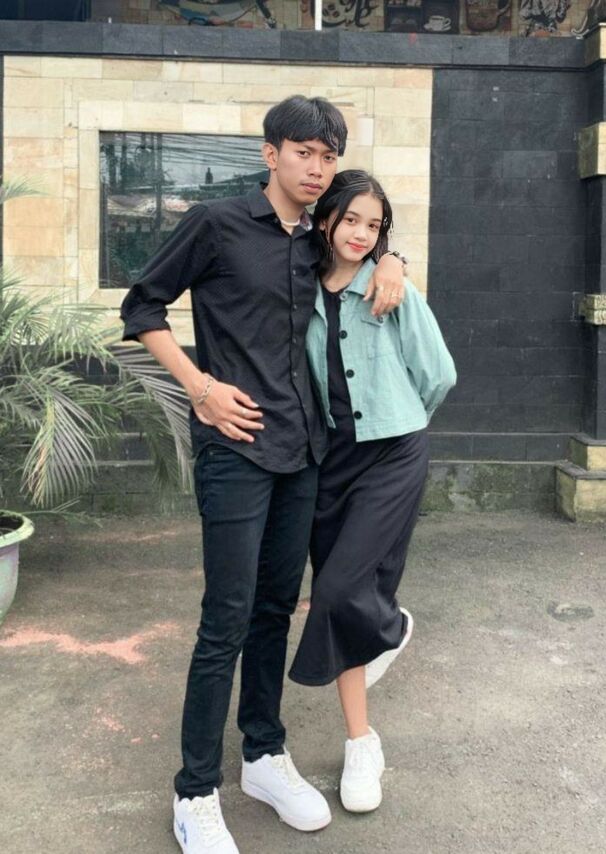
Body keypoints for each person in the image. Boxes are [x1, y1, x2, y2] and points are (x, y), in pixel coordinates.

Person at [119, 97, 406, 854]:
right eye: (304, 152)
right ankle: (194, 791)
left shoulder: (316, 237)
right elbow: (142, 306)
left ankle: (263, 755)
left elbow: (366, 239)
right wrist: (200, 388)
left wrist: (393, 259)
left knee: (276, 610)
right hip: (235, 450)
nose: (317, 169)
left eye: (328, 156)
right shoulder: (215, 224)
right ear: (270, 153)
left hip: (303, 452)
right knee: (227, 617)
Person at [288, 170, 456, 814]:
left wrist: (398, 420)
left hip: (392, 452)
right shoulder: (301, 285)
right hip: (332, 462)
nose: (362, 234)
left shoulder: (390, 288)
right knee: (345, 597)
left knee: (336, 593)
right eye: (352, 219)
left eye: (375, 226)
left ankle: (391, 627)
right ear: (326, 218)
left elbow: (438, 374)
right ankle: (362, 741)